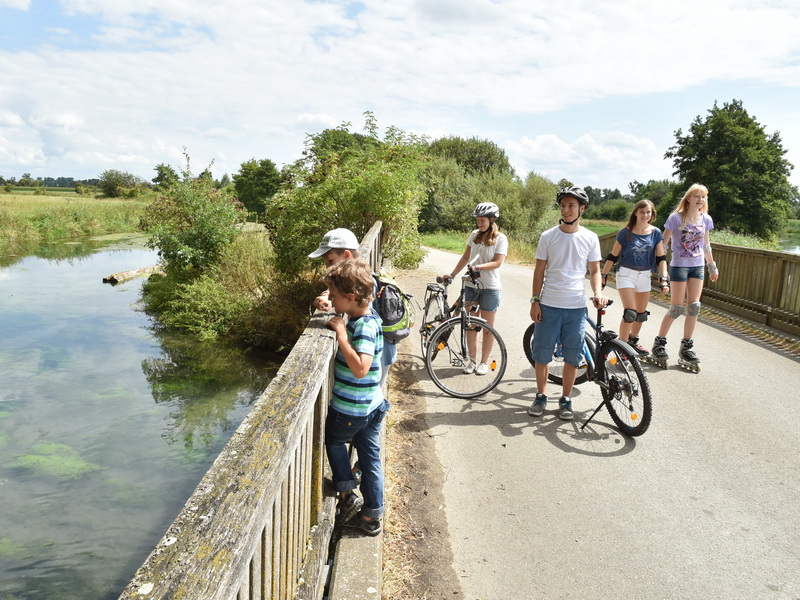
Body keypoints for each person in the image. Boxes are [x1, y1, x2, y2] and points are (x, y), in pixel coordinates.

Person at [322, 258, 389, 536]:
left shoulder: (361, 327)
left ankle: (347, 493)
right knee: (371, 460)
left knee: (334, 440)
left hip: (351, 408)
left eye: (335, 297)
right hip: (372, 406)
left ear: (350, 297)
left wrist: (340, 333)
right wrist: (337, 314)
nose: (333, 301)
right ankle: (372, 517)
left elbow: (360, 368)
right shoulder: (369, 317)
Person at [528, 186, 607, 420]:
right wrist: (535, 300)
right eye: (563, 205)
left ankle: (565, 399)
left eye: (571, 205)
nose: (566, 209)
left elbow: (594, 271)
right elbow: (539, 270)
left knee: (572, 356)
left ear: (581, 208)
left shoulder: (590, 238)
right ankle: (541, 395)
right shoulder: (548, 236)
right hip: (550, 304)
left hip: (576, 307)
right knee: (542, 354)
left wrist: (597, 292)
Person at [309, 228, 397, 389]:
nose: (327, 267)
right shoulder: (359, 278)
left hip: (378, 359)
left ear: (347, 256)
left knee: (372, 396)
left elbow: (358, 310)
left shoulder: (365, 291)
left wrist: (341, 330)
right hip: (370, 357)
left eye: (330, 260)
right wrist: (330, 296)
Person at [648, 183, 719, 370]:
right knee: (677, 308)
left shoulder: (706, 219)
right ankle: (659, 344)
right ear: (688, 198)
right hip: (679, 266)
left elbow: (706, 245)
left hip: (698, 267)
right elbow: (663, 243)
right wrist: (660, 268)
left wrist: (712, 266)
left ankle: (686, 346)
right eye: (697, 196)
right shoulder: (675, 218)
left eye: (703, 197)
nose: (700, 200)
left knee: (694, 307)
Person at [441, 202, 508, 375]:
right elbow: (465, 257)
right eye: (478, 220)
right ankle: (471, 361)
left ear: (492, 220)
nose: (479, 223)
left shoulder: (500, 239)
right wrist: (453, 274)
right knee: (470, 325)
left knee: (487, 326)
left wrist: (479, 268)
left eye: (483, 220)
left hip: (490, 288)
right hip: (471, 286)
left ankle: (484, 362)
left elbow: (498, 262)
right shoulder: (474, 235)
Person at [600, 199, 670, 356]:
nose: (645, 215)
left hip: (645, 275)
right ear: (636, 213)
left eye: (648, 212)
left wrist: (664, 277)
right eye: (642, 212)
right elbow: (613, 256)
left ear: (652, 214)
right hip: (626, 274)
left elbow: (661, 258)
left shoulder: (656, 233)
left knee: (641, 315)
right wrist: (603, 275)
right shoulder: (626, 232)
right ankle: (622, 349)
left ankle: (633, 341)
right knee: (630, 313)